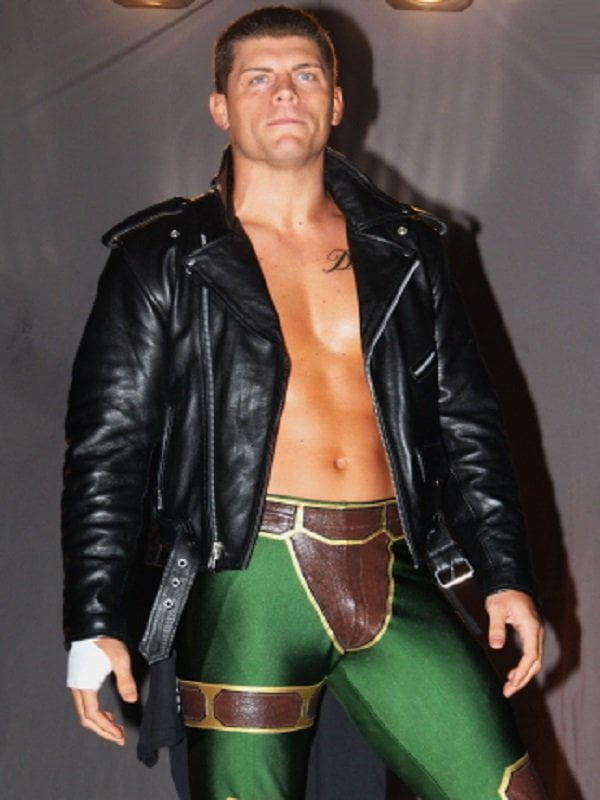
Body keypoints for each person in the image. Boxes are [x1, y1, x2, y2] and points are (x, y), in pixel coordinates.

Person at [62, 6, 547, 799]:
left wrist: (505, 573)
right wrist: (92, 618)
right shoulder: (162, 259)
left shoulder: (407, 250)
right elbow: (108, 449)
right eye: (258, 78)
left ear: (337, 101)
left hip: (390, 571)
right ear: (221, 107)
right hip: (249, 584)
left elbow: (467, 420)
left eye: (305, 74)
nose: (284, 91)